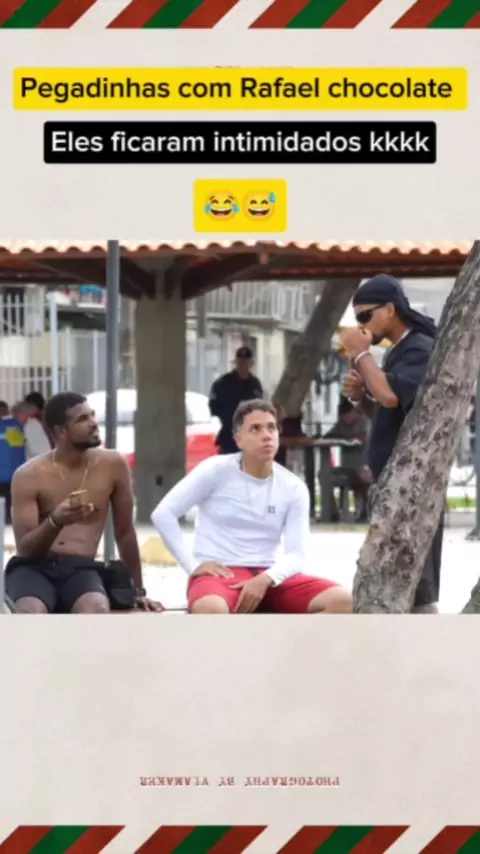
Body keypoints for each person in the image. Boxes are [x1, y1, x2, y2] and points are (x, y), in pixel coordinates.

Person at [151, 399, 352, 615]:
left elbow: (297, 554)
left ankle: (285, 638)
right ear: (238, 439)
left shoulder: (293, 486)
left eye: (271, 427)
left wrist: (266, 579)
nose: (266, 435)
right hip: (221, 575)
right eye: (255, 429)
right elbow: (163, 514)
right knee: (210, 609)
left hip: (270, 576)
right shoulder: (215, 470)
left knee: (342, 601)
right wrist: (192, 566)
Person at [5, 391, 161, 614]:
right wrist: (56, 521)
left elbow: (125, 532)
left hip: (81, 569)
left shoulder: (113, 465)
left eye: (92, 415)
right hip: (33, 569)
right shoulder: (29, 475)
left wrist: (138, 591)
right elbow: (26, 549)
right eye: (82, 419)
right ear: (61, 432)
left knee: (96, 608)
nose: (94, 423)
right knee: (30, 610)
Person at [339, 273, 441, 613]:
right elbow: (387, 412)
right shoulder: (398, 351)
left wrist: (360, 355)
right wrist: (359, 397)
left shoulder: (420, 347)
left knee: (417, 582)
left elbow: (390, 396)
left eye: (366, 316)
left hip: (412, 486)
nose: (362, 326)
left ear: (390, 310)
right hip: (392, 480)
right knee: (392, 579)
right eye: (358, 319)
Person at [323, 396, 371, 522]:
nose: (344, 420)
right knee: (324, 475)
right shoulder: (341, 424)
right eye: (342, 418)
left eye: (346, 417)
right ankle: (332, 511)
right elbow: (329, 436)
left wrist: (350, 438)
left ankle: (365, 512)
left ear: (353, 413)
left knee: (363, 481)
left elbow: (365, 438)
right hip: (346, 467)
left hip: (363, 466)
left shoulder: (365, 423)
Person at [208, 346, 264, 454]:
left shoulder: (255, 384)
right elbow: (214, 408)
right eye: (240, 362)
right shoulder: (223, 383)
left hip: (250, 436)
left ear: (251, 364)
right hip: (229, 436)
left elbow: (260, 408)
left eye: (245, 362)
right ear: (236, 363)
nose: (243, 365)